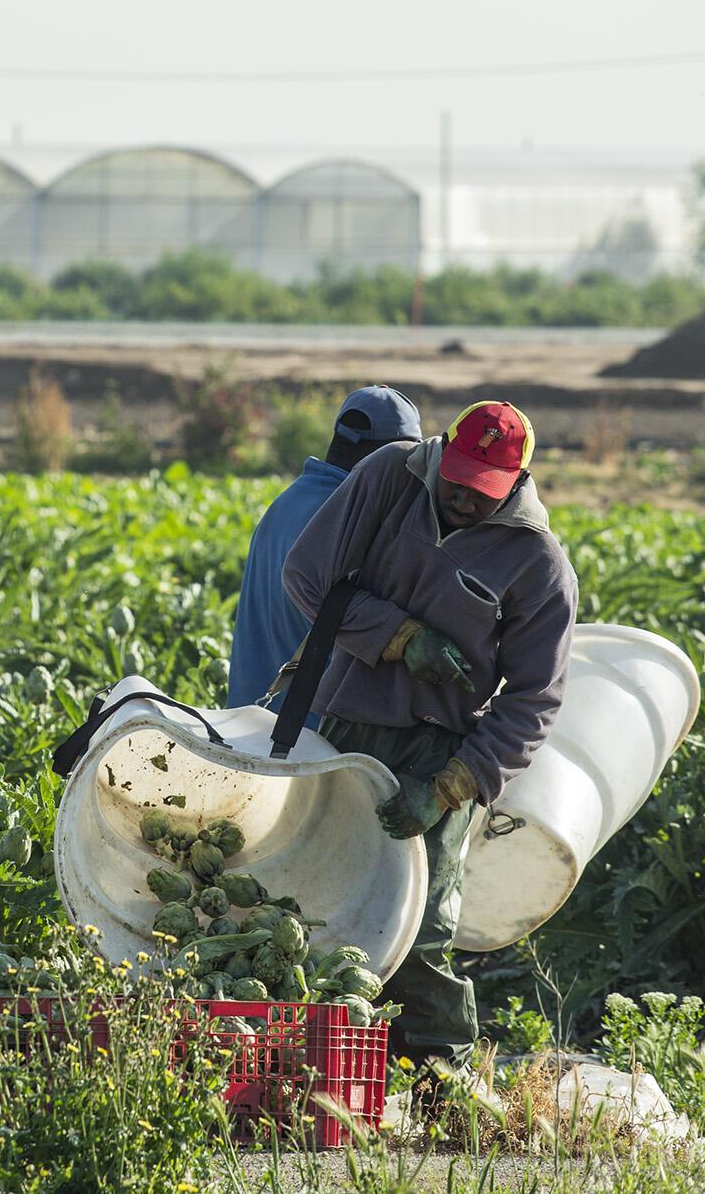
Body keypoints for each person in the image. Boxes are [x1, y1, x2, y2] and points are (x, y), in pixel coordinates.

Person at [281, 401, 576, 1076]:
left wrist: (449, 787)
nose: (462, 498)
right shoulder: (390, 477)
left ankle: (441, 1073)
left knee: (421, 926)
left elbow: (537, 698)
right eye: (456, 478)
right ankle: (315, 1066)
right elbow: (307, 577)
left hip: (442, 751)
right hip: (348, 724)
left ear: (515, 482)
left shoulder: (537, 562)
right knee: (314, 899)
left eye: (483, 491)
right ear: (442, 451)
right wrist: (398, 637)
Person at [227, 385, 423, 715]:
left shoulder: (286, 503)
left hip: (246, 722)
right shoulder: (351, 521)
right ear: (391, 456)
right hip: (306, 739)